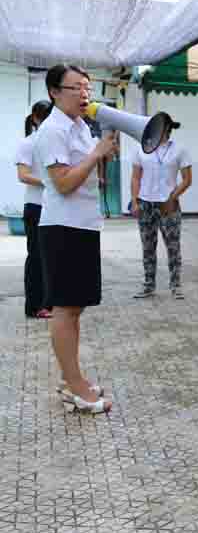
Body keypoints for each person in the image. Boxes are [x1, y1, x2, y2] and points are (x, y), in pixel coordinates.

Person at [35, 64, 118, 413]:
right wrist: (96, 154)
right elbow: (64, 183)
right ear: (54, 92)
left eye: (87, 87)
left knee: (75, 309)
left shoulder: (81, 126)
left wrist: (101, 154)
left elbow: (84, 177)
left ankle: (73, 379)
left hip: (83, 225)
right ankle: (77, 388)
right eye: (76, 88)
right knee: (65, 310)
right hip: (63, 228)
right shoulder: (53, 130)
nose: (85, 94)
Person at [130, 114, 191, 300]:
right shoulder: (141, 148)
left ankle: (176, 286)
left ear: (166, 128)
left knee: (173, 246)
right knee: (148, 247)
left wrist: (173, 197)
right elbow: (136, 177)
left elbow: (187, 180)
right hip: (145, 203)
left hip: (168, 204)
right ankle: (149, 285)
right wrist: (134, 201)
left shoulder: (179, 150)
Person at [16, 100, 53, 319]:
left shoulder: (55, 142)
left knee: (53, 257)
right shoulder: (28, 143)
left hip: (55, 207)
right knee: (36, 257)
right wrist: (49, 182)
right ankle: (34, 305)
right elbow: (23, 175)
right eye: (45, 117)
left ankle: (50, 302)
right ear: (36, 119)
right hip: (35, 207)